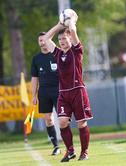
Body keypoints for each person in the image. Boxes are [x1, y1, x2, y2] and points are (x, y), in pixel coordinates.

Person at [42, 16, 93, 162]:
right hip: (63, 93)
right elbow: (46, 39)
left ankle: (84, 152)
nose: (62, 42)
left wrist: (71, 21)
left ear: (70, 39)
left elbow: (72, 30)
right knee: (62, 122)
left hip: (78, 90)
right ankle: (70, 151)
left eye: (65, 39)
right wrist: (59, 25)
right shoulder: (58, 53)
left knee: (81, 123)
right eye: (60, 40)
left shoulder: (77, 50)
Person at [31, 32, 61, 155]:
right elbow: (34, 78)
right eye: (40, 41)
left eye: (44, 39)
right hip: (43, 92)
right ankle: (56, 147)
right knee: (48, 119)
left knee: (63, 118)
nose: (43, 42)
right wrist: (33, 95)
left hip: (58, 90)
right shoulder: (36, 59)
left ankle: (70, 146)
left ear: (49, 39)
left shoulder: (57, 54)